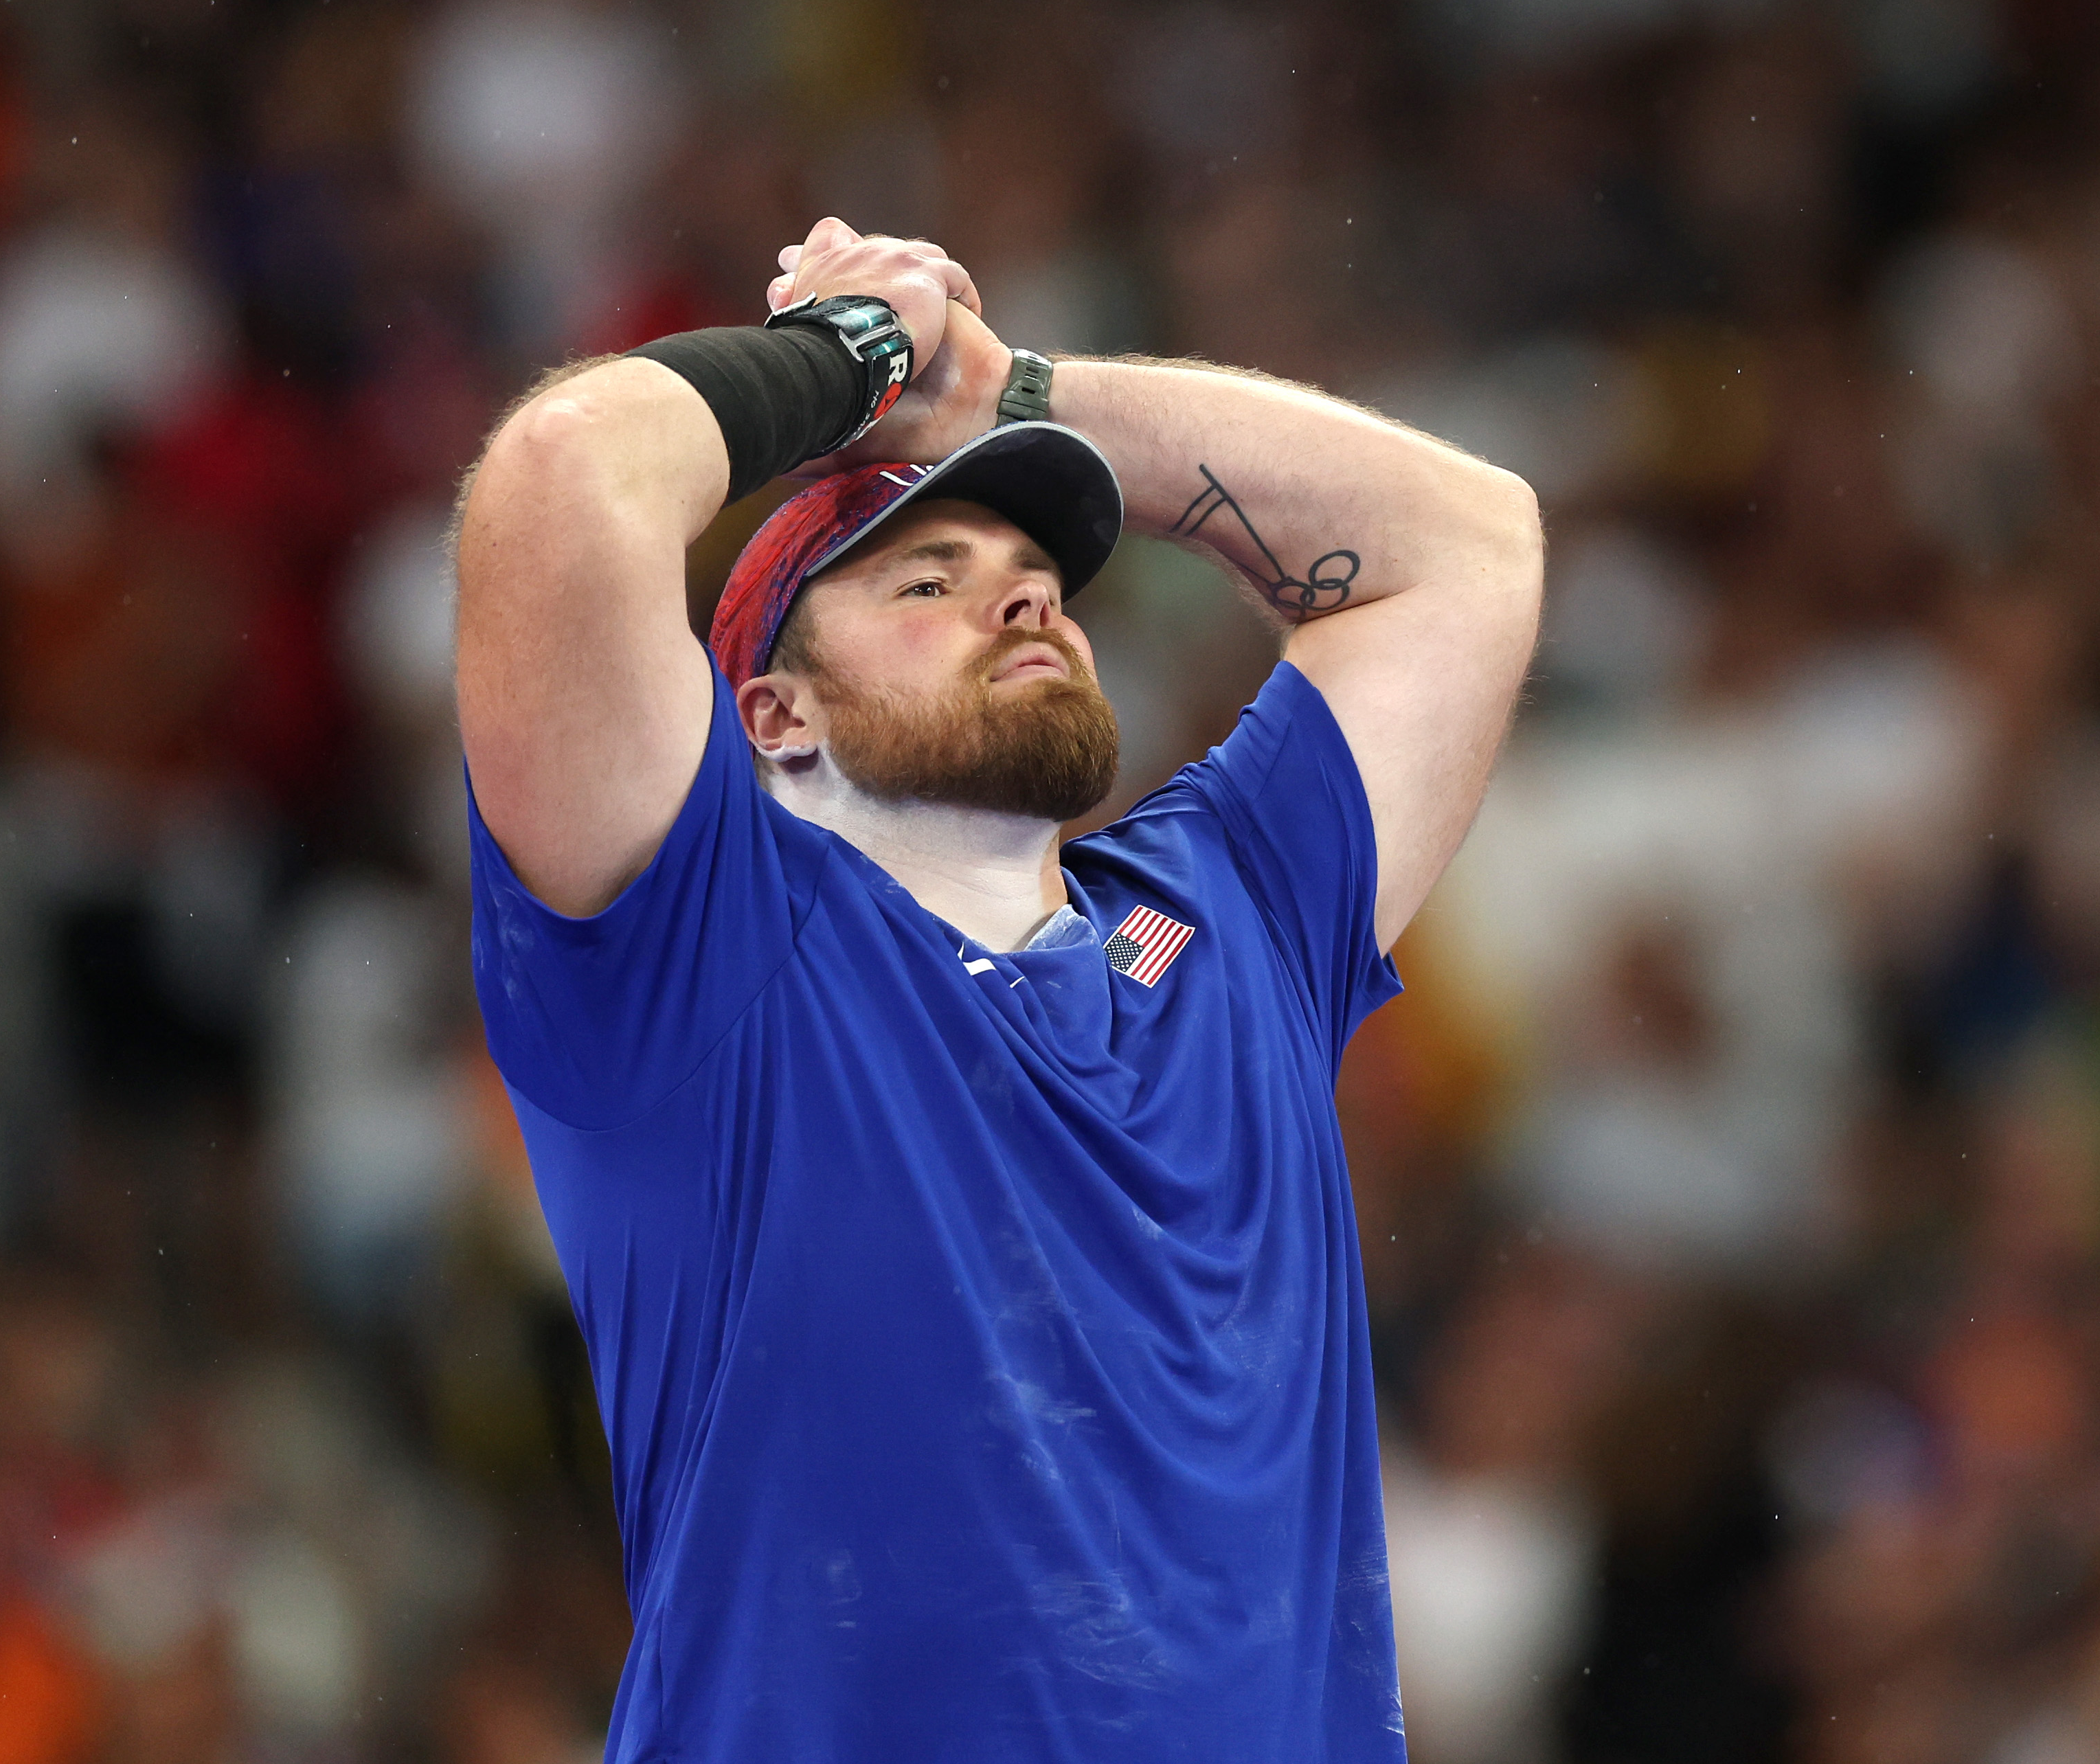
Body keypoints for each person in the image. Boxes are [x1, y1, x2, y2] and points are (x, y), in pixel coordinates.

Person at [450, 216, 1543, 1760]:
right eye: (926, 583)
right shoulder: (697, 954)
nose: (1025, 600)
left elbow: (1470, 539)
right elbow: (562, 479)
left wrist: (996, 393)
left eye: (1037, 575)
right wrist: (848, 356)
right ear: (770, 713)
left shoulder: (1230, 912)